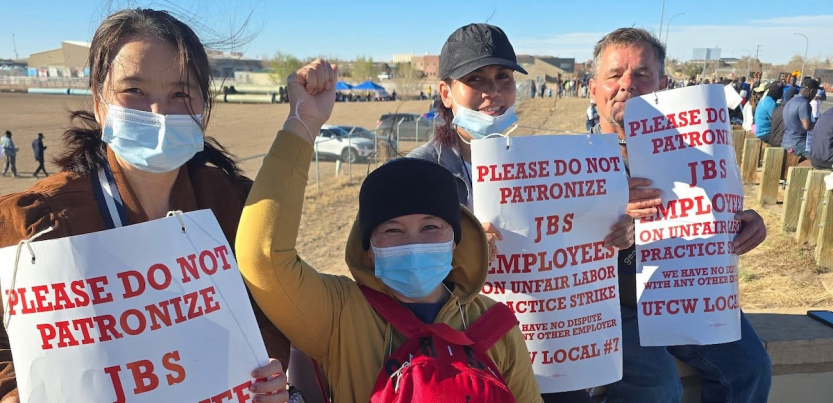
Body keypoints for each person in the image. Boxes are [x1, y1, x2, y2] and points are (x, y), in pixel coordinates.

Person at [0, 9, 290, 403]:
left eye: (180, 94)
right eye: (133, 91)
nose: (158, 112)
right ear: (99, 100)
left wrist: (268, 377)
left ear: (203, 106)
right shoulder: (39, 223)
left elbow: (272, 317)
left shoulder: (231, 203)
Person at [236, 58, 543, 402]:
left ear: (456, 241)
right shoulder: (339, 316)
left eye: (430, 227)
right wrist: (302, 124)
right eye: (393, 232)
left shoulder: (496, 325)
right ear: (367, 247)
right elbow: (262, 256)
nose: (413, 243)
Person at [408, 23, 634, 402]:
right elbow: (397, 273)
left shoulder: (534, 164)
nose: (492, 93)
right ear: (446, 92)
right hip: (463, 346)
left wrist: (616, 231)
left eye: (503, 78)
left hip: (544, 343)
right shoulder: (417, 175)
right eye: (475, 79)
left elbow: (561, 244)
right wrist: (459, 251)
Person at [587, 27, 771, 403]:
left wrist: (743, 223)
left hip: (687, 291)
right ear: (593, 89)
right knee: (657, 390)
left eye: (642, 74)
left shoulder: (695, 149)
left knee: (751, 367)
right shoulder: (571, 162)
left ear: (662, 83)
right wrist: (612, 217)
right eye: (614, 75)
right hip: (614, 305)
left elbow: (712, 212)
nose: (627, 85)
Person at [782, 78, 820, 158]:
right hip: (798, 144)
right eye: (815, 92)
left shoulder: (790, 101)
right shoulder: (804, 103)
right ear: (811, 90)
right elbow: (807, 126)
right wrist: (819, 124)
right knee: (821, 158)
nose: (815, 95)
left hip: (785, 141)